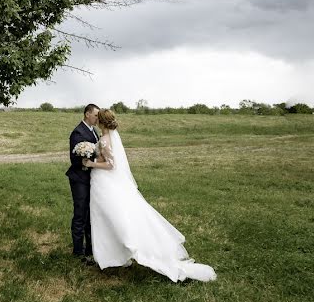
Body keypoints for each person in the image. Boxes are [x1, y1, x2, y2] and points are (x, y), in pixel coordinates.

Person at [83, 108, 216, 282]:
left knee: (112, 218)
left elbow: (111, 165)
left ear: (101, 122)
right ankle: (113, 255)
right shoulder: (107, 139)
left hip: (106, 182)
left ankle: (121, 252)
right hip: (104, 182)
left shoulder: (105, 140)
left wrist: (91, 164)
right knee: (108, 219)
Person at [66, 103, 100, 261]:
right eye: (95, 115)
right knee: (80, 213)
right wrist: (86, 161)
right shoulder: (77, 132)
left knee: (90, 214)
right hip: (79, 179)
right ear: (87, 114)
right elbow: (74, 159)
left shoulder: (94, 132)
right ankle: (78, 251)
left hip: (91, 178)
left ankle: (90, 249)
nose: (97, 118)